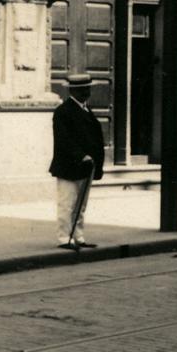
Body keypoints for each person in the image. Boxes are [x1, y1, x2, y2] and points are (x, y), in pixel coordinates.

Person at [50, 74, 105, 249]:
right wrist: (82, 155)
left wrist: (95, 162)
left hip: (86, 167)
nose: (86, 92)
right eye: (82, 89)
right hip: (69, 167)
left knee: (81, 205)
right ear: (72, 91)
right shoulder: (63, 111)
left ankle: (78, 236)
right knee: (67, 204)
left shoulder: (87, 110)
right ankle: (64, 238)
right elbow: (64, 140)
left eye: (88, 89)